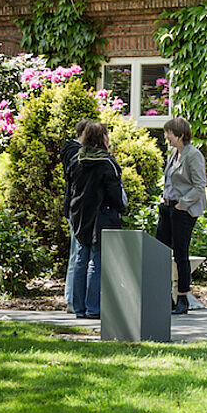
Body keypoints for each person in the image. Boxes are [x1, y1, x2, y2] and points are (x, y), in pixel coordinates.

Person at [68, 121, 125, 320]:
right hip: (102, 215)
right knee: (96, 261)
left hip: (80, 215)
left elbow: (72, 188)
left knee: (81, 260)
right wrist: (121, 207)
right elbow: (114, 192)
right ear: (102, 139)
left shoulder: (77, 160)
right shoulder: (106, 162)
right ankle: (93, 308)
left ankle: (79, 308)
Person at [157, 116, 207, 316]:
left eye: (168, 133)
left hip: (183, 211)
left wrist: (181, 205)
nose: (166, 137)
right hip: (167, 208)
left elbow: (199, 186)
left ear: (179, 134)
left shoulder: (193, 155)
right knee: (160, 252)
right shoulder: (173, 154)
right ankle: (164, 296)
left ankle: (183, 298)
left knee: (180, 254)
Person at [60, 118, 94, 312]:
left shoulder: (71, 152)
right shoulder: (77, 154)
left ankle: (72, 298)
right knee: (77, 254)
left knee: (76, 254)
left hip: (73, 208)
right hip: (77, 210)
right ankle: (73, 299)